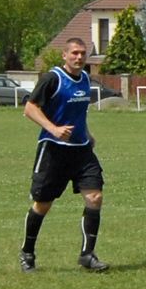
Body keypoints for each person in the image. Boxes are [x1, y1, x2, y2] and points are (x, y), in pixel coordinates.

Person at [19, 37, 108, 273]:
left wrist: (87, 133)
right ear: (64, 55)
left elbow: (79, 113)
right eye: (75, 53)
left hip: (81, 151)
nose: (79, 57)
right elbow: (30, 108)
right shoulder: (53, 78)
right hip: (53, 151)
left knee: (95, 197)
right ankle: (27, 253)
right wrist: (54, 129)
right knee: (42, 204)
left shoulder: (86, 79)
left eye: (82, 53)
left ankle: (87, 255)